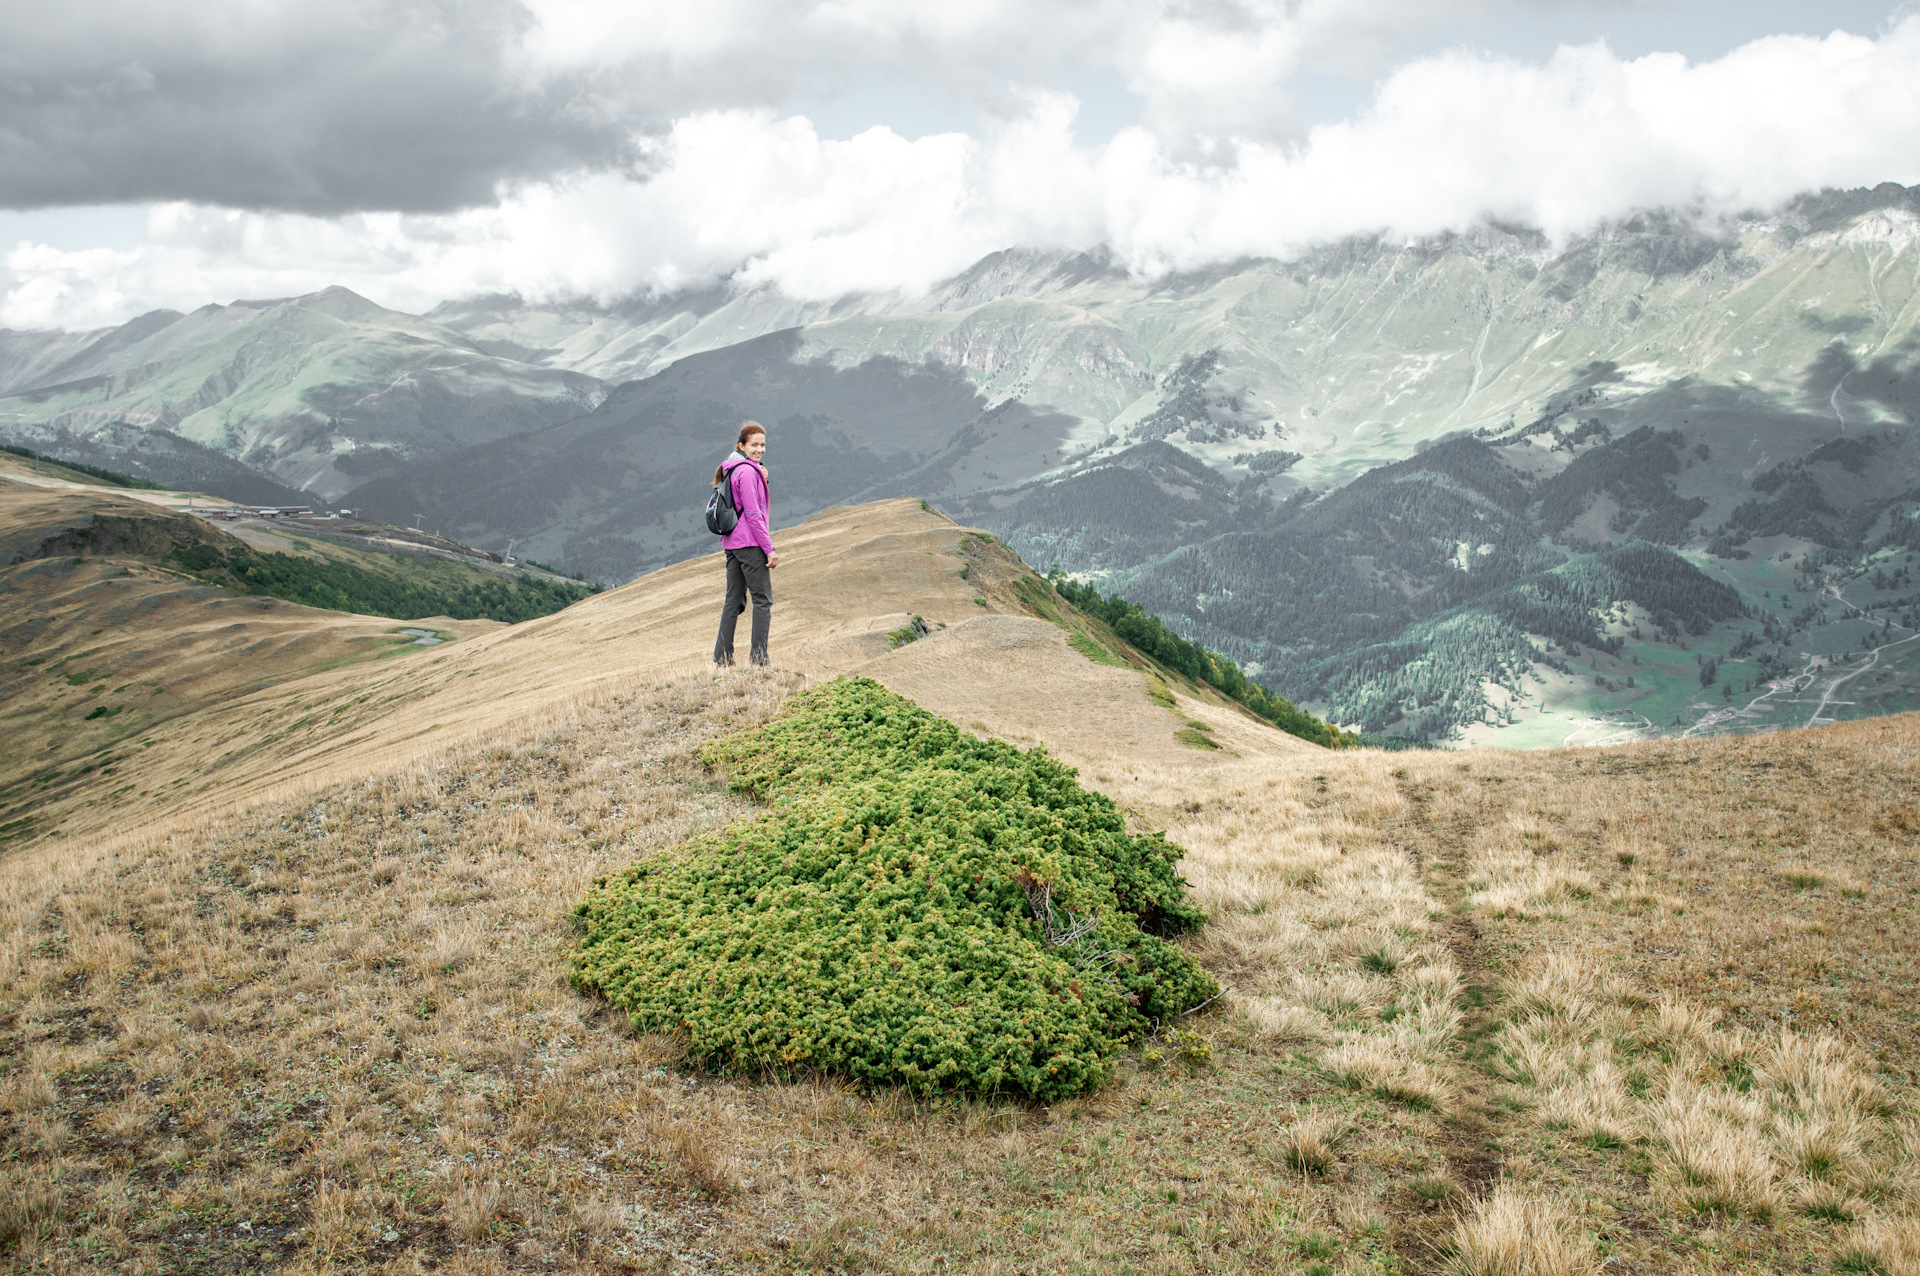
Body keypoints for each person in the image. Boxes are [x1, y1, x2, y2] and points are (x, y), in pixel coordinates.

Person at [713, 421, 777, 667]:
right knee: (762, 601)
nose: (759, 449)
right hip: (750, 545)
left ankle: (722, 659)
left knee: (733, 601)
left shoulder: (735, 468)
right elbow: (753, 514)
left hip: (732, 544)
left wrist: (763, 476)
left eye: (762, 445)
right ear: (741, 445)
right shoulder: (748, 472)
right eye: (754, 445)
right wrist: (768, 548)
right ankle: (759, 660)